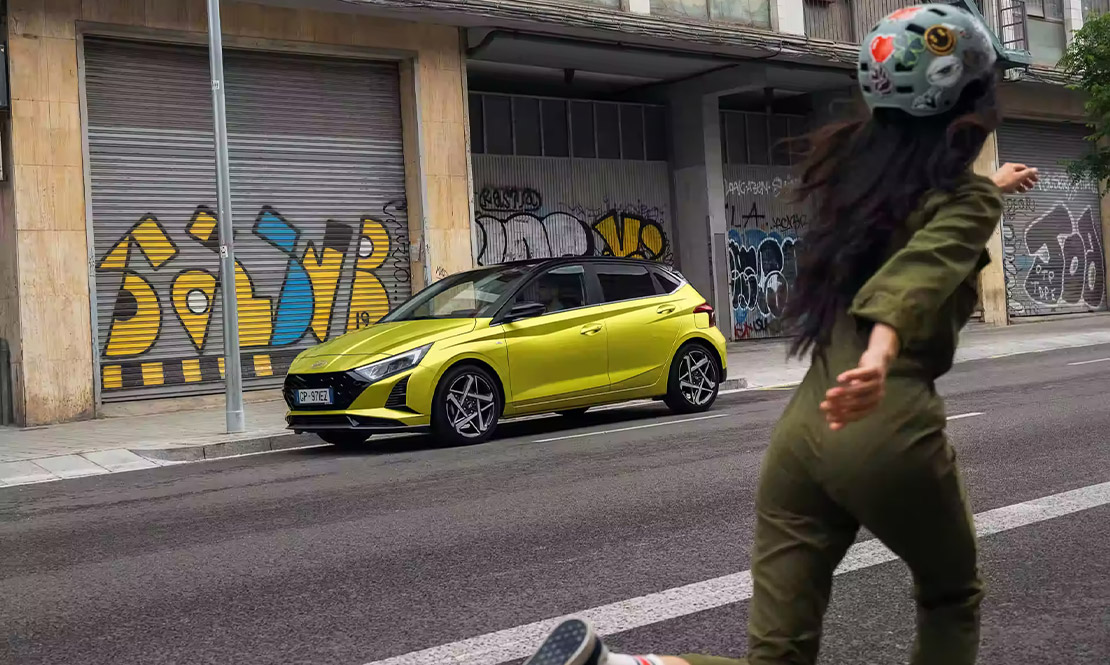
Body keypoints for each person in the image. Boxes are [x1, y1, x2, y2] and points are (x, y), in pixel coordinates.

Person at [522, 5, 1040, 665]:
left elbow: (925, 220)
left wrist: (992, 185)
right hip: (882, 421)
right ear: (970, 104)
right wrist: (882, 350)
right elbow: (920, 269)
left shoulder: (862, 184)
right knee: (951, 595)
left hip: (801, 437)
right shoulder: (964, 201)